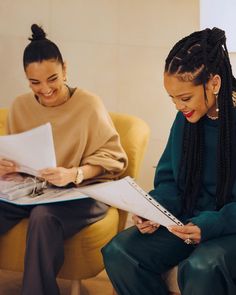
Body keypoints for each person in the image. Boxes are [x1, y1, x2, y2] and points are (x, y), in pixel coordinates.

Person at [102, 27, 236, 295]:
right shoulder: (187, 118)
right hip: (188, 221)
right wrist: (153, 208)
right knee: (120, 252)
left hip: (229, 227)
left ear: (214, 83)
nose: (178, 107)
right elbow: (170, 181)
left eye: (185, 98)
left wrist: (208, 225)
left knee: (201, 267)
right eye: (172, 98)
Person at [0, 24, 127, 295]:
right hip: (34, 190)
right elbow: (14, 154)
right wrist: (6, 167)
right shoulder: (21, 106)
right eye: (35, 82)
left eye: (52, 79)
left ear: (65, 69)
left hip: (81, 193)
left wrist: (74, 174)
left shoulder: (89, 105)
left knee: (43, 217)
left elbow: (114, 159)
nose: (45, 89)